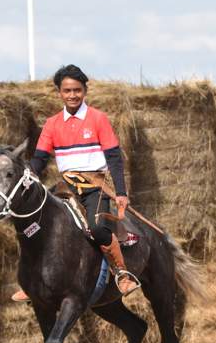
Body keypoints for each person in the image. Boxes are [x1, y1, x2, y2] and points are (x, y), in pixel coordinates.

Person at [13, 64, 139, 301]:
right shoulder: (52, 123)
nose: (72, 95)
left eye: (77, 90)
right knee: (32, 224)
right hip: (65, 187)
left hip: (94, 187)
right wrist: (27, 178)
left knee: (96, 227)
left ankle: (122, 274)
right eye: (67, 91)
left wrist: (121, 192)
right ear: (59, 92)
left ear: (84, 91)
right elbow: (40, 158)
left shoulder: (98, 119)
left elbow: (113, 157)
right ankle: (32, 284)